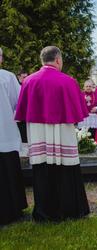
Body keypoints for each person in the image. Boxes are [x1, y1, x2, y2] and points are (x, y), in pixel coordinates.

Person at [15, 46, 90, 222]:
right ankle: (70, 210)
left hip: (38, 133)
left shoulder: (29, 81)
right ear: (57, 60)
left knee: (42, 170)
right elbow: (79, 112)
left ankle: (43, 212)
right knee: (66, 168)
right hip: (62, 132)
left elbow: (22, 113)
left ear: (43, 60)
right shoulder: (68, 81)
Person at [0, 47, 28, 226]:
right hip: (4, 133)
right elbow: (18, 102)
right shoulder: (7, 77)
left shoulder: (7, 77)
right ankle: (11, 209)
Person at [78, 79, 97, 144]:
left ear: (92, 87)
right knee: (82, 134)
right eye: (87, 86)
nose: (88, 88)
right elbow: (77, 105)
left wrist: (96, 108)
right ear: (84, 87)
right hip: (84, 118)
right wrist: (84, 100)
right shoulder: (80, 95)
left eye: (90, 86)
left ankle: (92, 147)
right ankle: (82, 148)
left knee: (92, 134)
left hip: (93, 118)